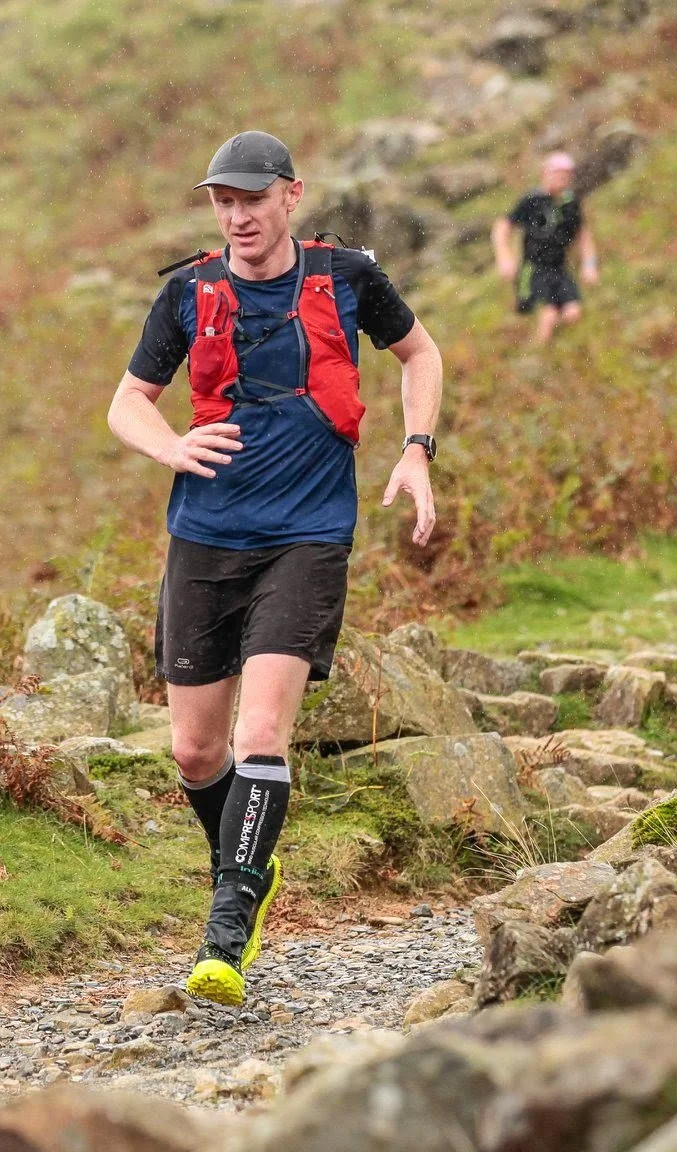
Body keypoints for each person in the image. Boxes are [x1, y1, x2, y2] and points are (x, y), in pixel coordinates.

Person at [105, 131, 444, 1007]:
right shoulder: (188, 292)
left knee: (260, 737)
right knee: (193, 750)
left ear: (291, 196)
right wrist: (171, 446)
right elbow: (125, 403)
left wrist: (415, 450)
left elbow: (420, 354)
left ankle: (228, 928)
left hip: (307, 534)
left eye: (251, 199)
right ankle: (253, 864)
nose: (236, 215)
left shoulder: (345, 279)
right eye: (222, 200)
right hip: (205, 536)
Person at [492, 151, 599, 345]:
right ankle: (535, 357)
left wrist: (589, 264)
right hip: (533, 269)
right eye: (556, 173)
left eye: (566, 175)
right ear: (544, 173)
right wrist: (504, 257)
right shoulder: (532, 200)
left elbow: (583, 236)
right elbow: (502, 227)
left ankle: (556, 356)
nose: (561, 179)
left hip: (559, 268)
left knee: (573, 313)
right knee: (547, 314)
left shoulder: (571, 203)